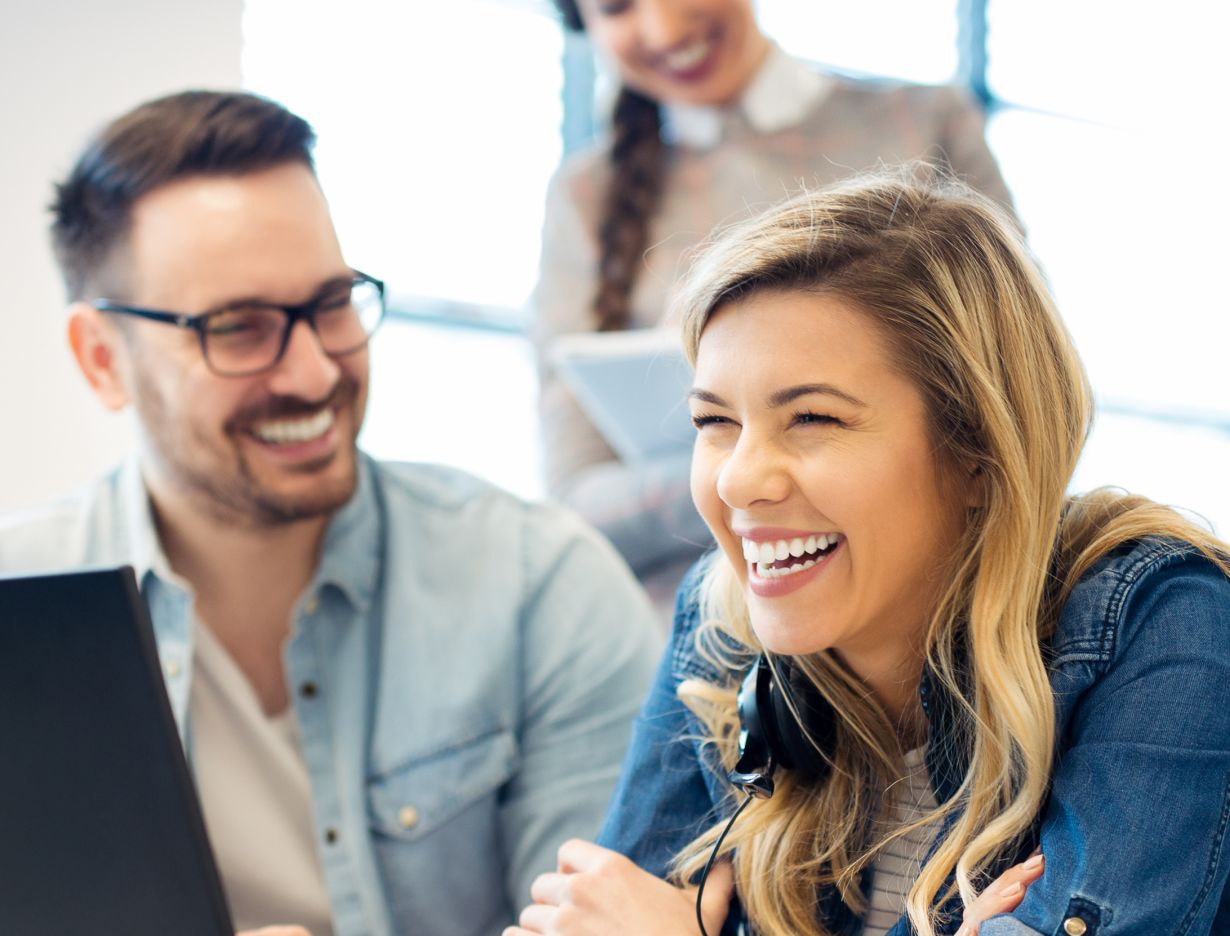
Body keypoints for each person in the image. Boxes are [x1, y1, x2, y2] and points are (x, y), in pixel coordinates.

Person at [0, 90, 662, 936]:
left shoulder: (543, 588)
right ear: (102, 360)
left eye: (330, 304)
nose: (314, 374)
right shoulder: (17, 605)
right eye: (238, 328)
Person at [507, 170, 1230, 936]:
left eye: (813, 417)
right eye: (714, 420)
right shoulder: (723, 617)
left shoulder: (1167, 623)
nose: (741, 479)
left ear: (979, 452)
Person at [534, 0, 1014, 607]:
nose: (661, 27)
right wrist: (756, 465)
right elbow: (574, 502)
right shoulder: (586, 197)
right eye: (615, 7)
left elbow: (1016, 399)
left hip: (930, 611)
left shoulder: (925, 125)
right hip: (692, 647)